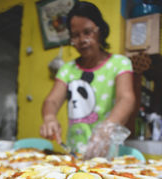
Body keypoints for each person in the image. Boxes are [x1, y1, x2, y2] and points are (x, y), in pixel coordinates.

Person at [40, 1, 135, 159]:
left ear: (100, 30)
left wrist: (107, 128)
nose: (82, 39)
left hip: (107, 151)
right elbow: (52, 101)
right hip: (74, 152)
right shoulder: (67, 70)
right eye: (75, 35)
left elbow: (126, 98)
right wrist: (49, 118)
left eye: (88, 32)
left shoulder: (120, 63)